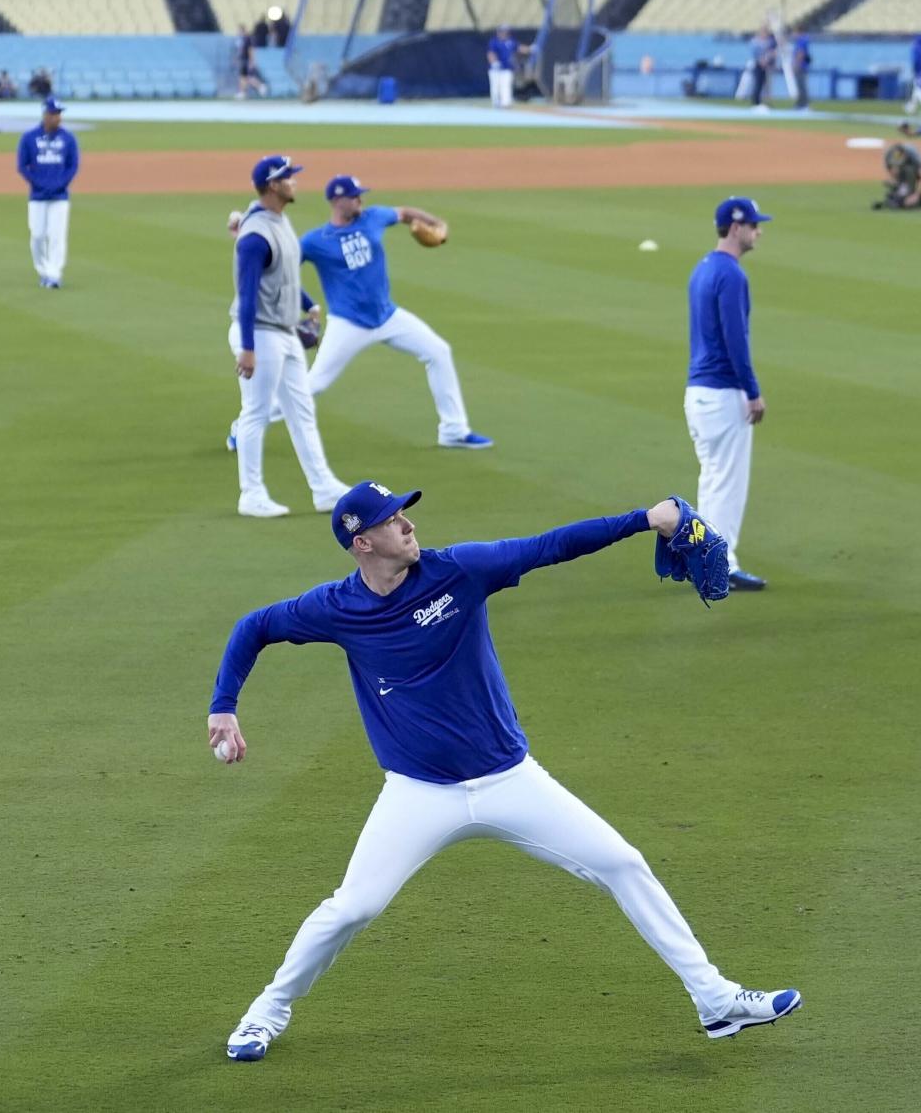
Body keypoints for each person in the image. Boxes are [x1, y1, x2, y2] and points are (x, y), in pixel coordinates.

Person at [208, 481, 803, 1063]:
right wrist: (224, 705)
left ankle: (716, 1000)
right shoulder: (336, 608)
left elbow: (550, 545)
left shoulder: (459, 571)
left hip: (509, 780)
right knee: (353, 907)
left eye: (404, 514)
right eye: (393, 520)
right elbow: (254, 626)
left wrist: (646, 519)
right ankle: (267, 1010)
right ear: (362, 543)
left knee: (623, 864)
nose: (409, 525)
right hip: (417, 794)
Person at [296, 175, 491, 449]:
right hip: (348, 324)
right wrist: (306, 306)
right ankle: (244, 427)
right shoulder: (316, 240)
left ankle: (454, 430)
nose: (360, 200)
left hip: (388, 317)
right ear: (337, 201)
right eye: (354, 196)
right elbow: (283, 267)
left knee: (438, 351)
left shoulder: (373, 217)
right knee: (314, 384)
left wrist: (436, 223)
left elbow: (404, 212)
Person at [228, 155, 345, 519]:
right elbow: (246, 294)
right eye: (288, 177)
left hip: (284, 331)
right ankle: (252, 494)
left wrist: (308, 304)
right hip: (259, 334)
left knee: (302, 411)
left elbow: (285, 274)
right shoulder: (254, 238)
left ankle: (324, 488)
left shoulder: (278, 219)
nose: (294, 181)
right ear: (272, 185)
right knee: (256, 413)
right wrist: (247, 348)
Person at [684, 197, 770, 592]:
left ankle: (703, 559)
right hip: (722, 395)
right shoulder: (732, 276)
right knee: (725, 486)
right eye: (754, 225)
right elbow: (737, 340)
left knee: (712, 481)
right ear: (736, 228)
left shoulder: (702, 268)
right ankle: (721, 564)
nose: (759, 231)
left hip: (698, 393)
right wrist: (752, 392)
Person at [16, 96, 79, 289]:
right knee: (37, 235)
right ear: (45, 114)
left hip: (60, 196)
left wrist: (61, 183)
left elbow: (72, 165)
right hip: (37, 196)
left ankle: (54, 273)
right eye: (54, 114)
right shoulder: (29, 138)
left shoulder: (68, 139)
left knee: (57, 235)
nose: (57, 118)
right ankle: (43, 270)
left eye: (59, 114)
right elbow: (22, 166)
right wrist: (38, 183)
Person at [873, 142, 921, 210]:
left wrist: (916, 195)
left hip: (911, 172)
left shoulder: (913, 155)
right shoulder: (889, 154)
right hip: (902, 182)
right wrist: (894, 182)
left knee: (909, 170)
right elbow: (892, 172)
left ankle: (911, 195)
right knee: (897, 190)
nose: (895, 168)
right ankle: (902, 193)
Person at [486, 25, 518, 108]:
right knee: (495, 86)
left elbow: (518, 47)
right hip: (495, 69)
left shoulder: (511, 41)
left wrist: (531, 48)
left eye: (505, 31)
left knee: (506, 85)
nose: (504, 33)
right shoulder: (494, 42)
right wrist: (494, 63)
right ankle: (496, 103)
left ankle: (506, 103)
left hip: (507, 68)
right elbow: (490, 53)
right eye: (502, 31)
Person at [745, 26, 775, 110]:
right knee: (757, 83)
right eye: (763, 32)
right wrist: (761, 60)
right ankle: (755, 102)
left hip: (766, 65)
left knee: (764, 85)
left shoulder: (769, 41)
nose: (765, 34)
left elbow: (773, 51)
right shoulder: (755, 42)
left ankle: (763, 102)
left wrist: (767, 60)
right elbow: (755, 53)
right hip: (758, 64)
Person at [234, 26, 268, 100]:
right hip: (243, 60)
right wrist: (237, 59)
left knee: (247, 78)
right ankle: (243, 92)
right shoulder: (241, 40)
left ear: (243, 31)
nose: (238, 33)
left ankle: (260, 86)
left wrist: (252, 61)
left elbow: (251, 50)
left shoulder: (247, 39)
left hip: (246, 61)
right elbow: (240, 52)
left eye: (239, 31)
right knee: (244, 78)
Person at [789, 31, 811, 110]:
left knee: (801, 86)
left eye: (795, 33)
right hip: (802, 66)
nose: (793, 35)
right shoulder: (803, 41)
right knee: (801, 86)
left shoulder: (801, 41)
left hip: (800, 67)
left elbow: (800, 53)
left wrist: (796, 64)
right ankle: (801, 104)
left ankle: (803, 104)